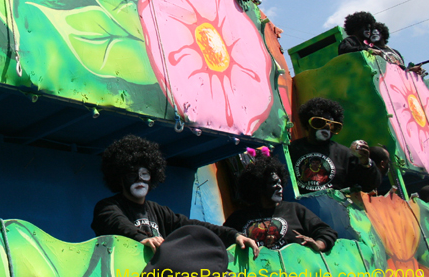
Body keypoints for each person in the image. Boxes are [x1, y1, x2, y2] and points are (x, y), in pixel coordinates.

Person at [91, 135, 259, 258]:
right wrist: (141, 238)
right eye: (131, 175)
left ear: (152, 176)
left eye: (144, 174)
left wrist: (233, 235)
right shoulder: (108, 207)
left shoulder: (159, 212)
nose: (139, 179)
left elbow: (193, 226)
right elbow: (117, 223)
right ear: (120, 178)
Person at [224, 151, 337, 252]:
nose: (279, 187)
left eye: (280, 182)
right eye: (273, 183)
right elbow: (221, 240)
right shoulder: (239, 217)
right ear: (259, 187)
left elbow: (327, 231)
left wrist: (318, 244)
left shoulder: (295, 210)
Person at [288, 98, 381, 194]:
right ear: (308, 124)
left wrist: (366, 164)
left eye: (333, 126)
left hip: (333, 203)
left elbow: (369, 186)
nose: (327, 127)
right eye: (320, 122)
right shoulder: (292, 149)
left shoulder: (345, 155)